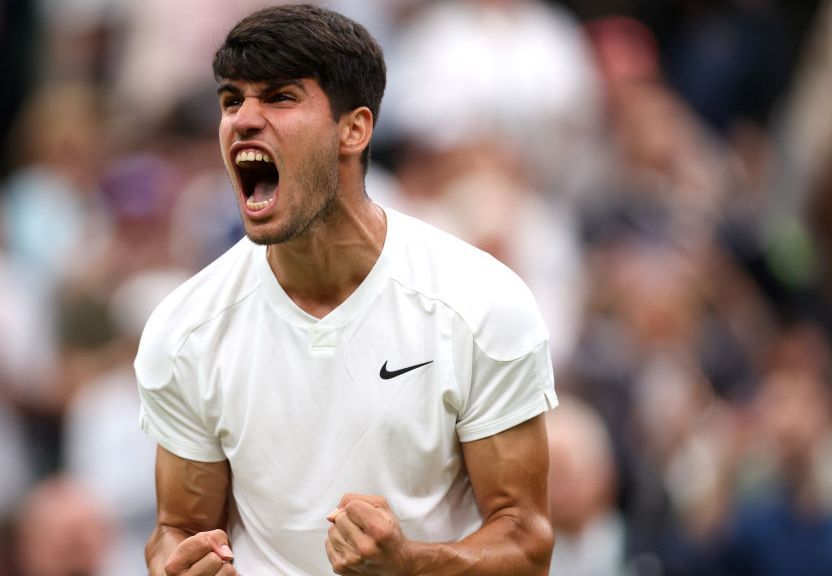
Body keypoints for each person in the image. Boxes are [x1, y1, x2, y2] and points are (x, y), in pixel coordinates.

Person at [134, 5, 557, 575]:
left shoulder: (482, 305)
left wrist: (409, 564)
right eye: (232, 100)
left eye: (280, 97)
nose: (243, 120)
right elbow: (178, 530)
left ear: (354, 129)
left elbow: (527, 545)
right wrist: (176, 566)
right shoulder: (184, 330)